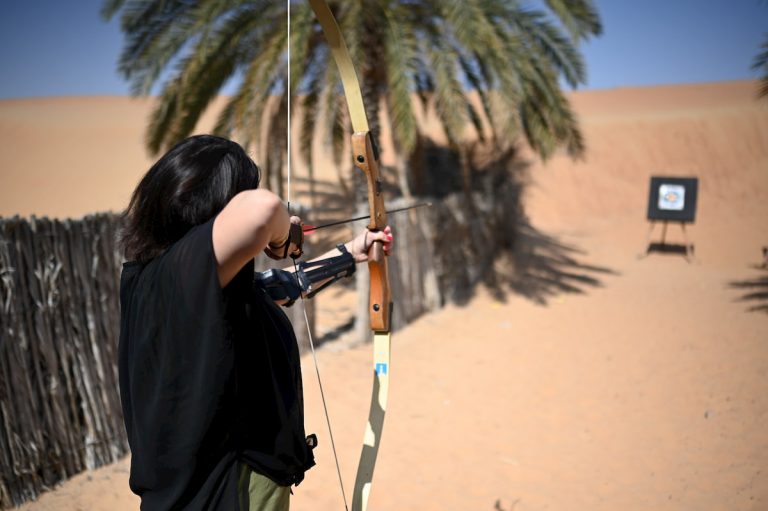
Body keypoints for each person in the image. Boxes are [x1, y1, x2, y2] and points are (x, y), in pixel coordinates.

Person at [117, 134, 393, 510]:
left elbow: (270, 289)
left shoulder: (165, 282)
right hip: (225, 493)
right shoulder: (174, 275)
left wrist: (349, 253)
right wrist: (280, 239)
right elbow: (262, 210)